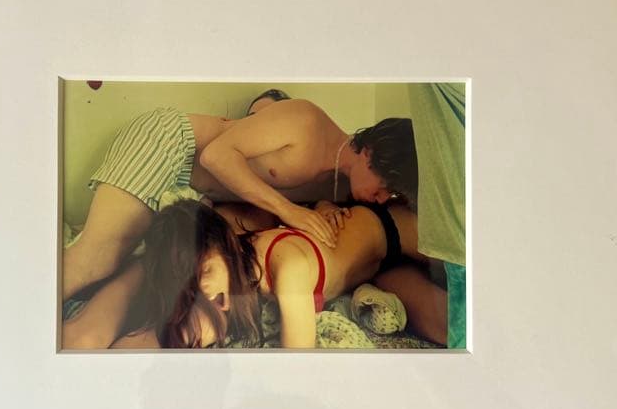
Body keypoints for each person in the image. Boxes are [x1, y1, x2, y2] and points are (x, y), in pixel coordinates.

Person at [61, 98, 418, 303]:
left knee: (145, 274)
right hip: (173, 146)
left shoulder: (338, 188)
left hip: (195, 196)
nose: (382, 199)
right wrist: (290, 210)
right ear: (370, 153)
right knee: (97, 261)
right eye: (385, 186)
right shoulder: (308, 122)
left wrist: (322, 209)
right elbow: (215, 156)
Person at [124, 198, 447, 349]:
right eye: (193, 284)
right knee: (443, 327)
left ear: (224, 244)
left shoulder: (287, 269)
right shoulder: (231, 268)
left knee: (463, 282)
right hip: (380, 271)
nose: (205, 289)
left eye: (205, 270)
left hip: (395, 229)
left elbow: (298, 361)